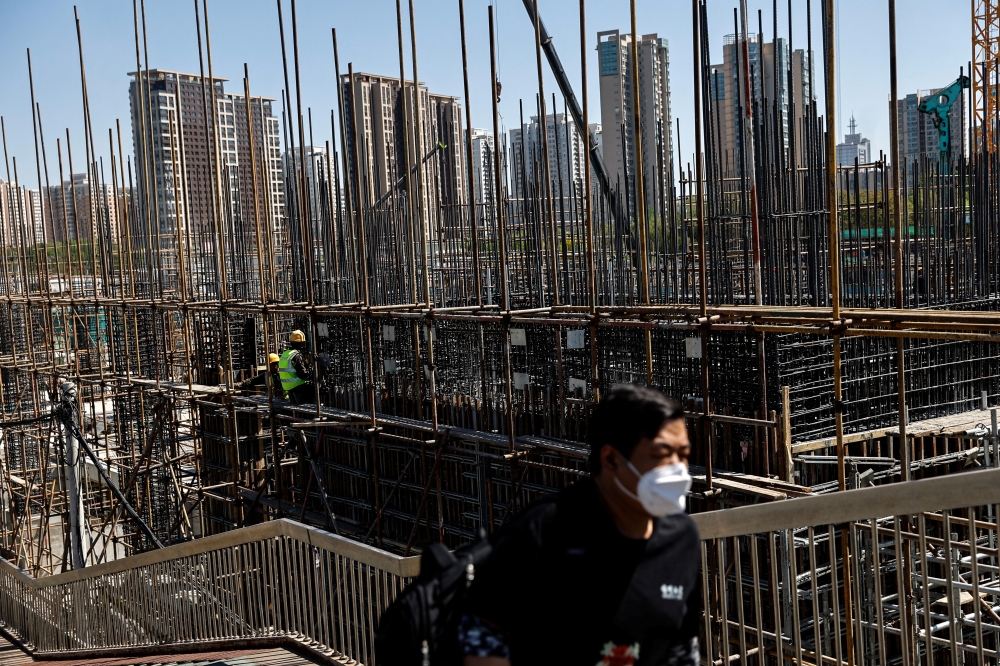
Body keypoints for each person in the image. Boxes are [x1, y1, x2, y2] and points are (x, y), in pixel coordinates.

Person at [460, 385, 700, 666]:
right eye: (662, 453)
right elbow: (483, 632)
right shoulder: (544, 531)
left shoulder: (681, 540)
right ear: (611, 459)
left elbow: (682, 648)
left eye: (683, 454)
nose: (677, 468)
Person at [279, 330, 315, 405]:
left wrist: (307, 362)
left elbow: (294, 368)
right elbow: (303, 375)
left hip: (288, 386)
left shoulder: (285, 354)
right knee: (307, 405)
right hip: (298, 386)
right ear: (301, 344)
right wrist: (311, 371)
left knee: (296, 408)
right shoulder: (296, 356)